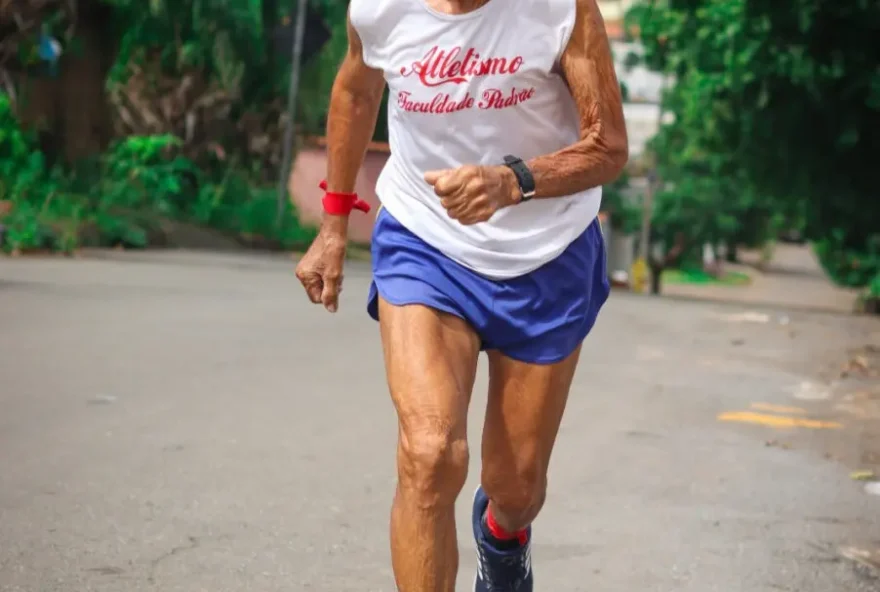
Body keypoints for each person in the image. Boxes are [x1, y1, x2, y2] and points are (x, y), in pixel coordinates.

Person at [294, 0, 627, 590]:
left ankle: (503, 537)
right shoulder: (377, 8)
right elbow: (354, 90)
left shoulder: (559, 9)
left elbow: (607, 146)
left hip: (546, 250)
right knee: (429, 454)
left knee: (517, 488)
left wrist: (513, 181)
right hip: (426, 239)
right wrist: (334, 223)